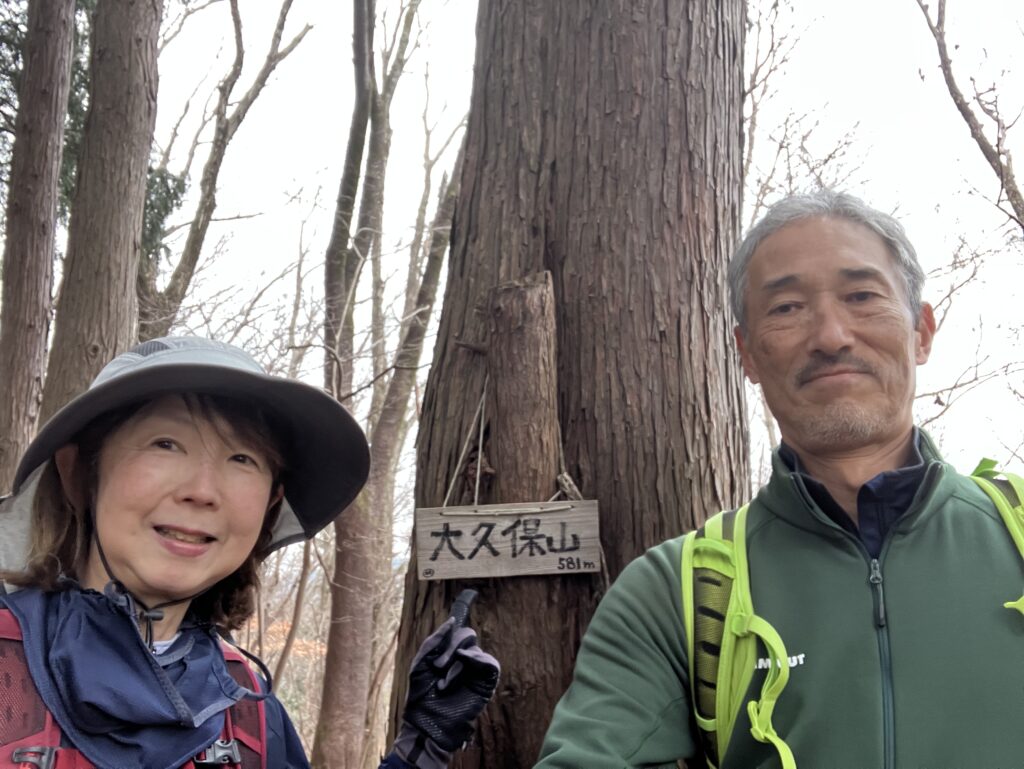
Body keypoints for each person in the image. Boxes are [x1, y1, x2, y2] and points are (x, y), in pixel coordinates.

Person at [535, 189, 1024, 768]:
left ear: (921, 331)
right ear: (746, 353)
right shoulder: (674, 595)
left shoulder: (1014, 534)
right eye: (787, 308)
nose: (831, 336)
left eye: (861, 296)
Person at [0, 336, 498, 769]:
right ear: (79, 472)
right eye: (165, 443)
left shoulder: (249, 712)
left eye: (242, 457)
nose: (202, 491)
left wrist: (421, 747)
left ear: (271, 503)